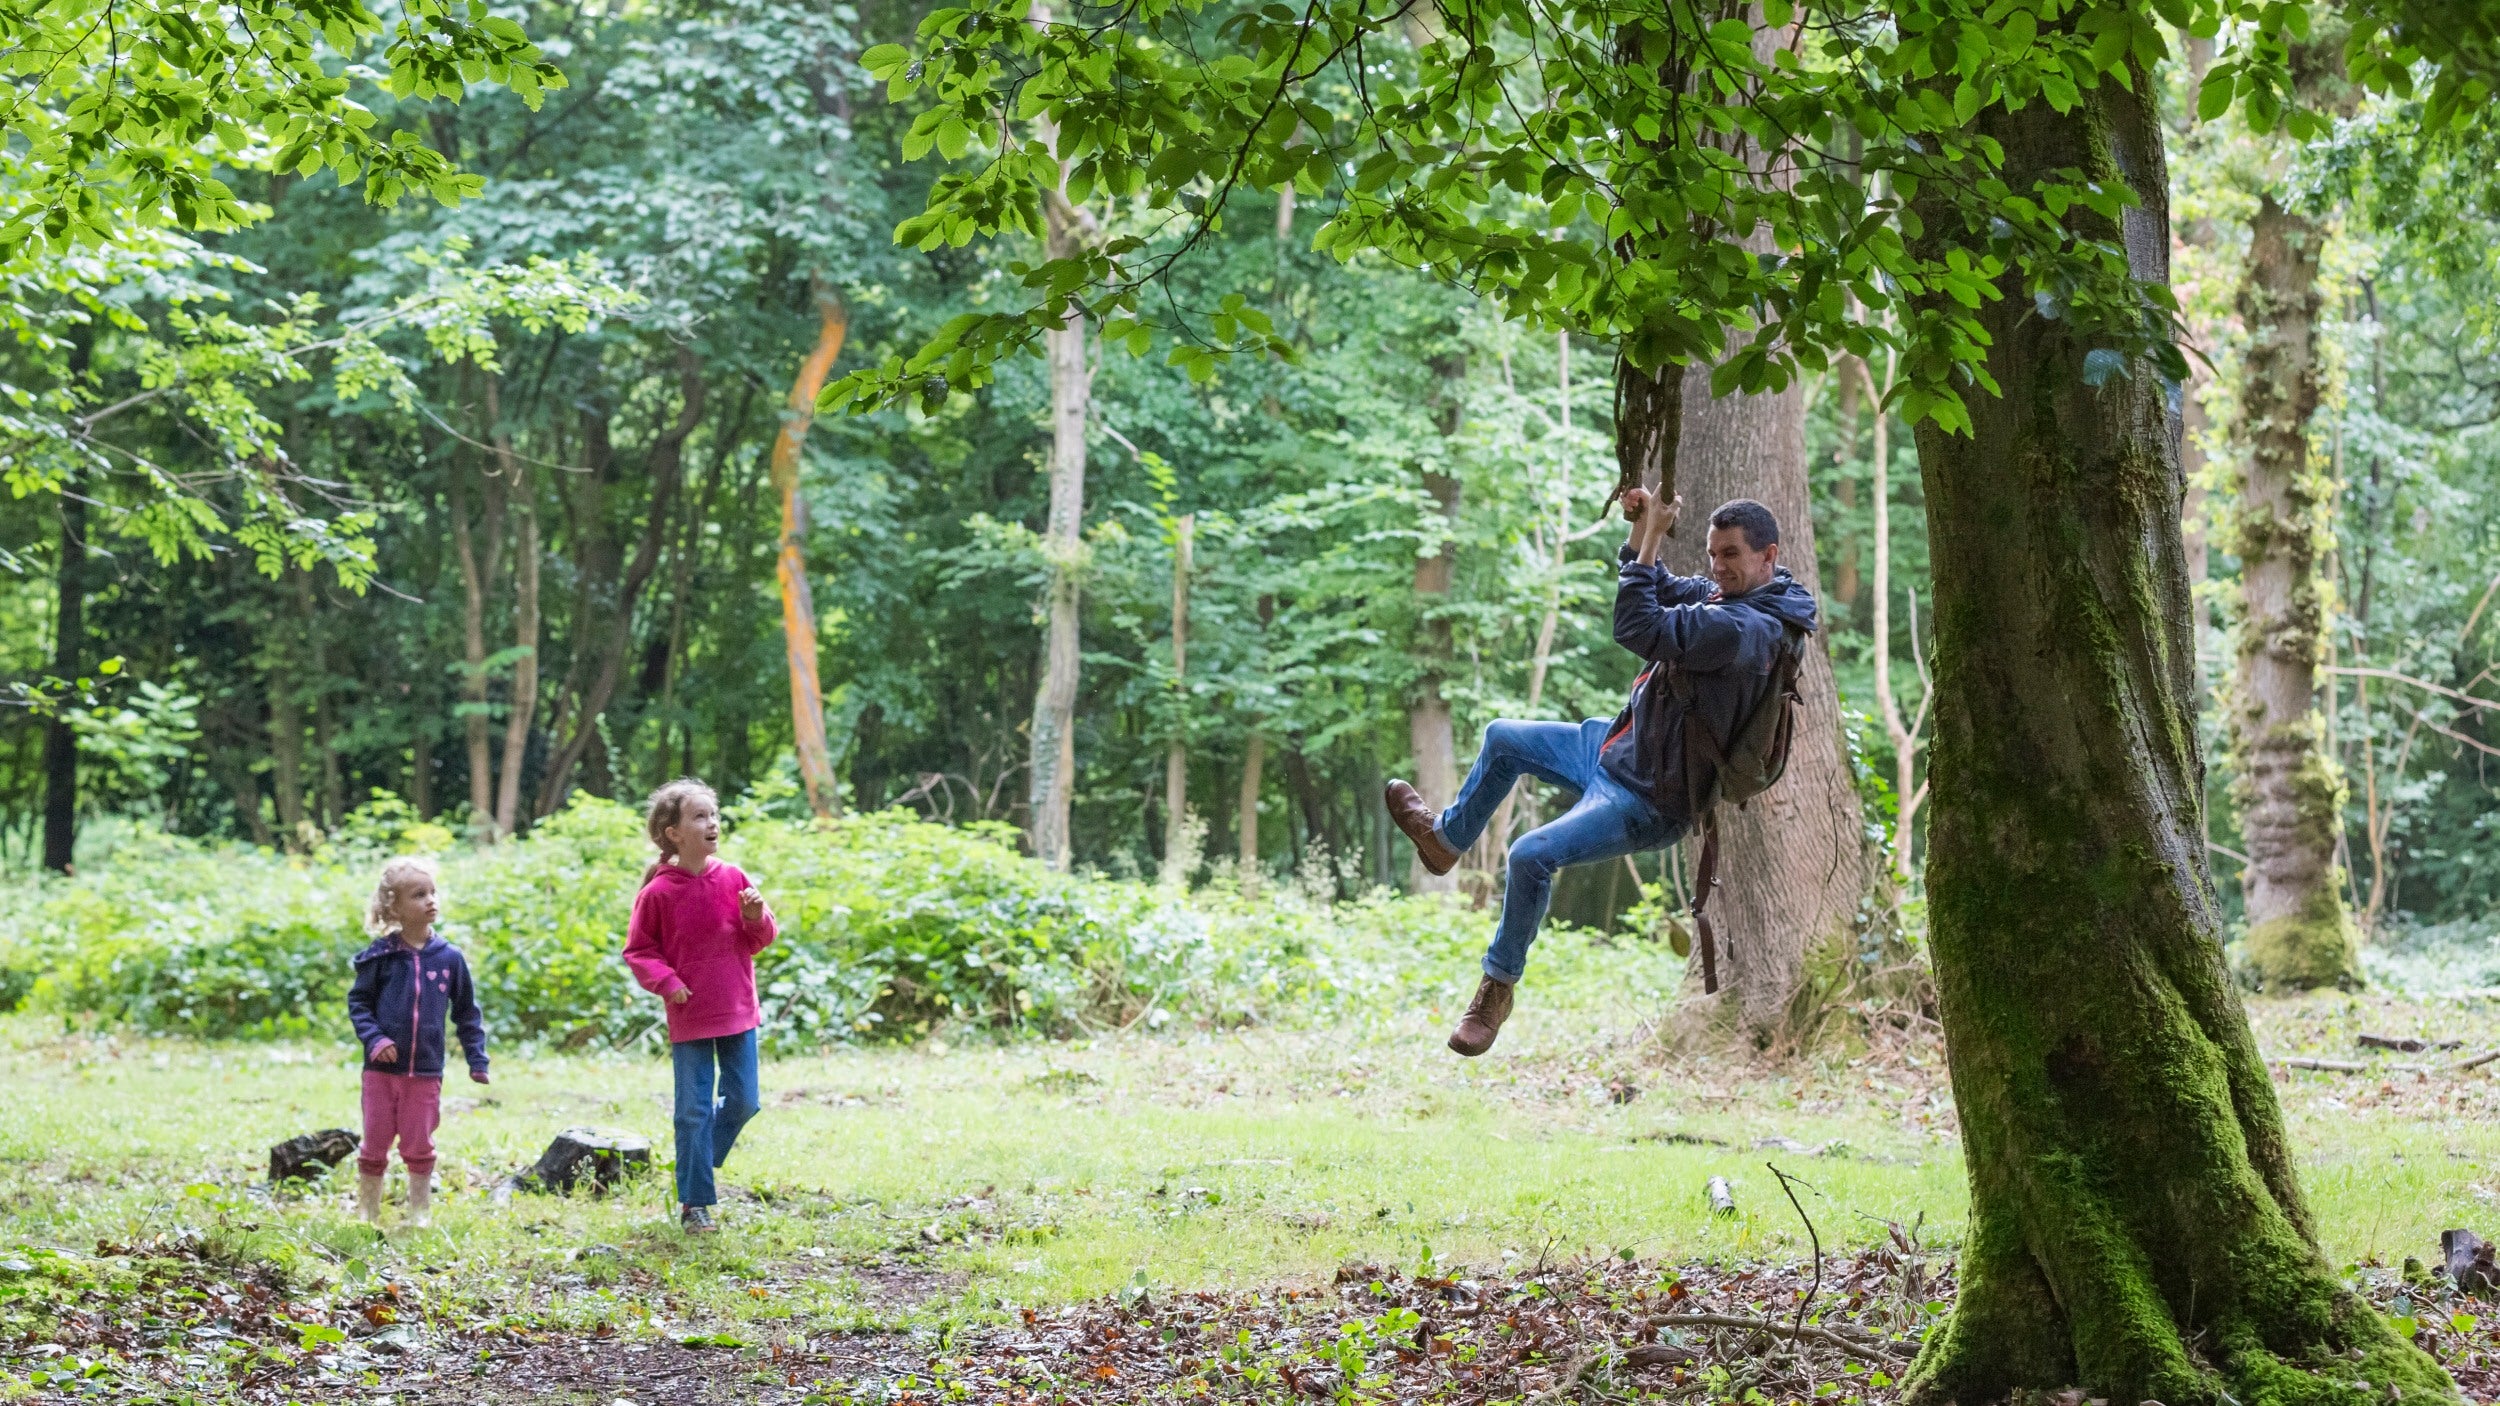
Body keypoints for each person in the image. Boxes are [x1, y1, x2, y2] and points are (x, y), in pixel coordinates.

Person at [1386, 490, 1819, 1056]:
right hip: (1621, 747)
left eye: (1730, 555)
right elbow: (1662, 588)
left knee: (1528, 855)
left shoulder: (1745, 631)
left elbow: (1638, 625)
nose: (1717, 567)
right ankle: (1445, 842)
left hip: (1647, 797)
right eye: (1713, 554)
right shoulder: (1751, 596)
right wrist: (1643, 531)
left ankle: (1496, 988)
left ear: (1768, 554)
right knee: (1503, 738)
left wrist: (1655, 537)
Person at [623, 778, 778, 1234]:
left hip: (737, 1009)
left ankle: (694, 1165)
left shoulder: (733, 878)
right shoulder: (657, 893)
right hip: (689, 1014)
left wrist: (756, 916)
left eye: (714, 815)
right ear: (674, 832)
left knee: (745, 1100)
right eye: (700, 816)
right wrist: (667, 982)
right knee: (692, 1109)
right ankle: (695, 1201)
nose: (712, 823)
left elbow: (761, 940)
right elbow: (639, 950)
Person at [346, 857, 489, 1228]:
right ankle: (367, 1212)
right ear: (394, 907)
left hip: (425, 1071)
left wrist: (477, 1059)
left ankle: (420, 1213)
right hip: (380, 1072)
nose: (430, 900)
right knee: (375, 1142)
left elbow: (466, 1013)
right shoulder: (381, 957)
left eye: (432, 892)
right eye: (418, 894)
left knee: (419, 1143)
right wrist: (375, 1039)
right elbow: (358, 1004)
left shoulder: (450, 959)